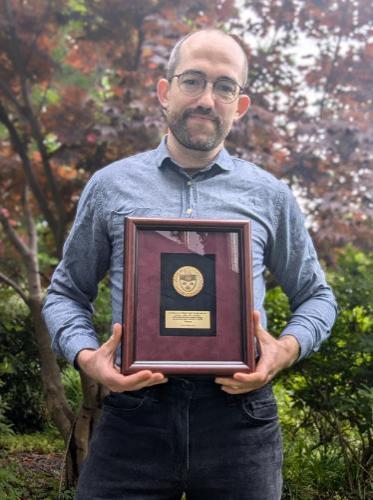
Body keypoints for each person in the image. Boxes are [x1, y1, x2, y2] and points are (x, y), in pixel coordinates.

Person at [43, 29, 337, 500]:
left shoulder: (270, 195)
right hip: (133, 415)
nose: (207, 98)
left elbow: (317, 297)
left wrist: (285, 349)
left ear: (239, 106)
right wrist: (86, 357)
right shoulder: (110, 186)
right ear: (165, 92)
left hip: (239, 420)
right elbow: (65, 293)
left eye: (224, 87)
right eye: (193, 80)